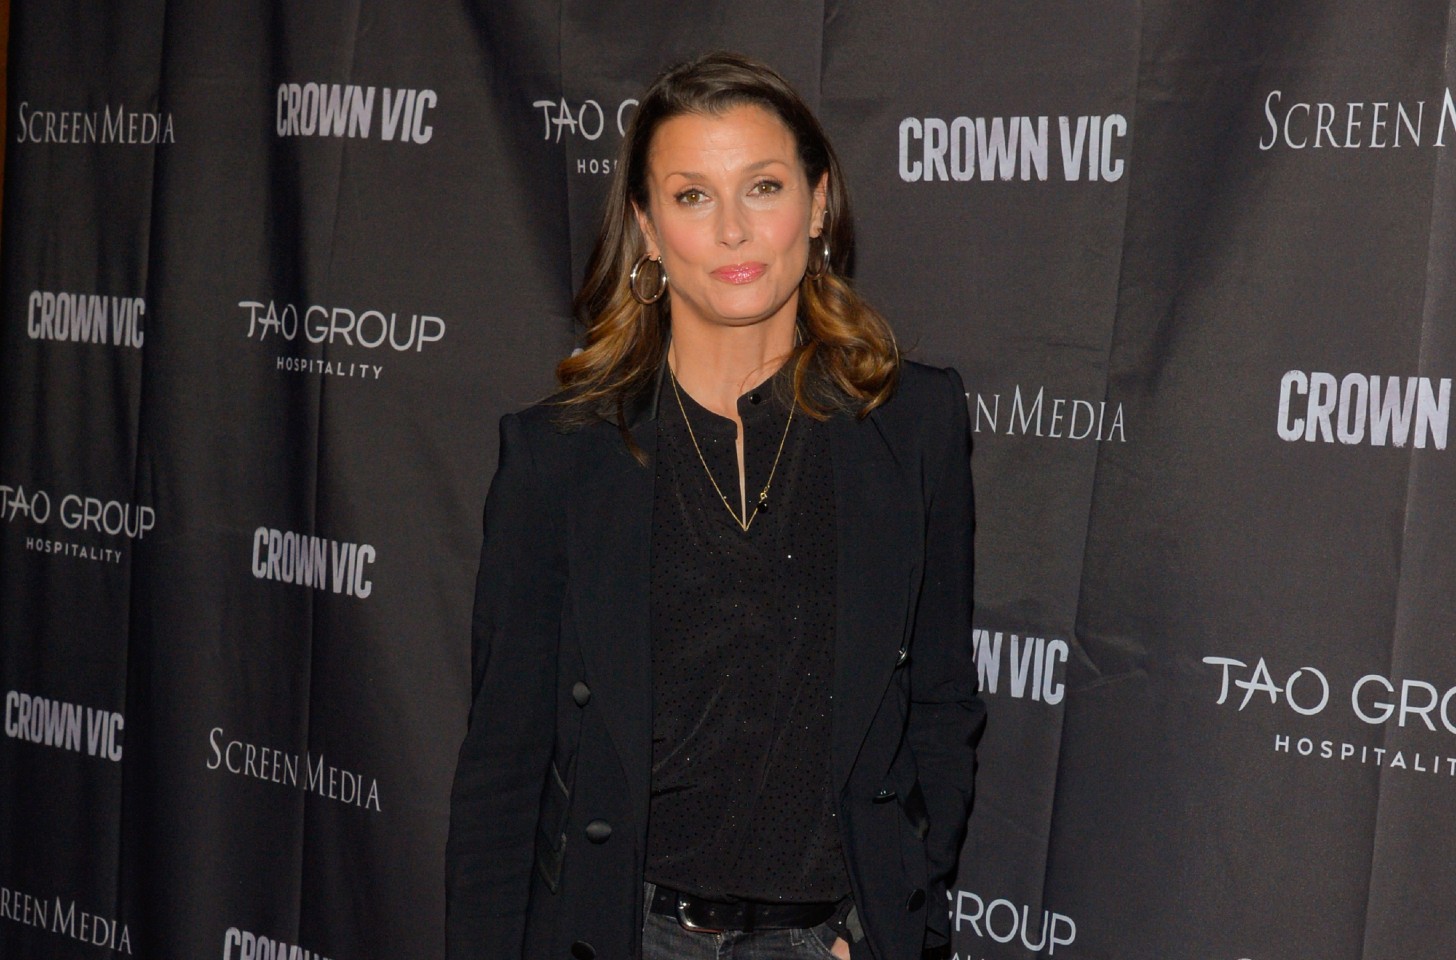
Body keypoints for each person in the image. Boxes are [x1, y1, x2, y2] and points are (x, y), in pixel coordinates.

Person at [446, 51, 983, 960]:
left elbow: (939, 704)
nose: (733, 230)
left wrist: (900, 912)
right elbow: (503, 770)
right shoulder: (559, 457)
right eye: (692, 196)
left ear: (817, 205)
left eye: (762, 187)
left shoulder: (913, 426)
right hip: (628, 936)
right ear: (648, 230)